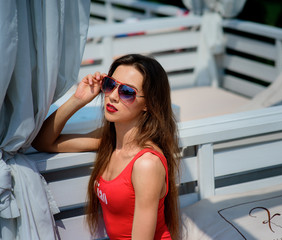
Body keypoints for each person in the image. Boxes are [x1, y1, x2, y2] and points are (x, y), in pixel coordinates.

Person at [32, 54, 181, 240]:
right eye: (110, 85)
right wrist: (77, 99)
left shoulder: (146, 164)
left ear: (149, 104)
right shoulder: (108, 141)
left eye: (127, 92)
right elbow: (42, 142)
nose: (113, 96)